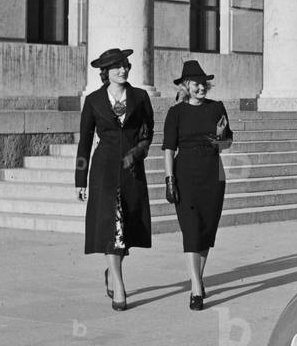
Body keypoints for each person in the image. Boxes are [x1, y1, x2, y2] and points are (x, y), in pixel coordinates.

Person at [75, 47, 153, 312]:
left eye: (126, 65)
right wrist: (80, 179)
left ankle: (111, 271)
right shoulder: (94, 101)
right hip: (104, 170)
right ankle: (119, 286)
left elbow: (147, 133)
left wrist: (138, 152)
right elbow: (84, 142)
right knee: (111, 225)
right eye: (118, 66)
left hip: (131, 169)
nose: (124, 70)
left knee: (125, 226)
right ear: (105, 72)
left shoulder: (140, 97)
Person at [162, 60, 233, 310]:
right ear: (186, 86)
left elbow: (227, 144)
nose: (201, 88)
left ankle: (198, 279)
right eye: (196, 84)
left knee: (205, 231)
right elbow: (169, 149)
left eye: (204, 83)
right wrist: (169, 180)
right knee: (191, 231)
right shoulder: (176, 112)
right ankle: (195, 287)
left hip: (213, 174)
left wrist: (222, 137)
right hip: (185, 175)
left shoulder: (217, 108)